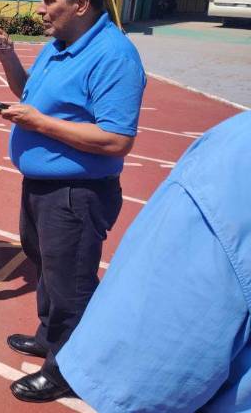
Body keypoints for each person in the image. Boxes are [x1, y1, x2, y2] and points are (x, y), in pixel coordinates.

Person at [0, 0, 146, 403]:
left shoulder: (113, 56)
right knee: (47, 268)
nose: (40, 9)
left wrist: (38, 124)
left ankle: (68, 369)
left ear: (80, 4)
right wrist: (8, 59)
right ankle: (50, 335)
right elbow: (29, 95)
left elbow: (116, 140)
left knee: (71, 283)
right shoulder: (58, 44)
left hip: (77, 195)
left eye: (48, 1)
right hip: (41, 188)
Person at [57, 111, 251, 411]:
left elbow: (141, 380)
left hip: (79, 191)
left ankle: (55, 359)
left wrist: (39, 122)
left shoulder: (236, 154)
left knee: (70, 277)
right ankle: (51, 343)